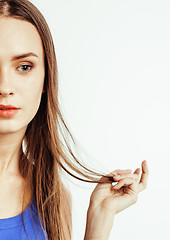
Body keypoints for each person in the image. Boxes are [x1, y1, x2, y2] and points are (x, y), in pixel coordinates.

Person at [0, 0, 149, 239]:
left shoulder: (52, 197)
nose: (5, 86)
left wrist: (100, 219)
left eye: (24, 67)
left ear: (46, 79)